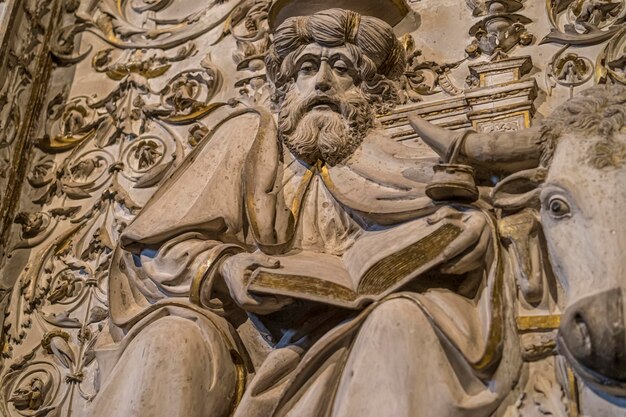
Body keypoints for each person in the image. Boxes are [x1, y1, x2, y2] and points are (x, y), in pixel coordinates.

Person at [89, 8, 543, 417]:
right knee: (171, 340)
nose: (322, 81)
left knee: (401, 318)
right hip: (249, 339)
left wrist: (456, 235)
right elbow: (151, 251)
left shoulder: (392, 159)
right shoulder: (245, 140)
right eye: (308, 67)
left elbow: (472, 216)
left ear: (368, 89)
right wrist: (225, 268)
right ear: (286, 84)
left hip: (363, 323)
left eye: (340, 67)